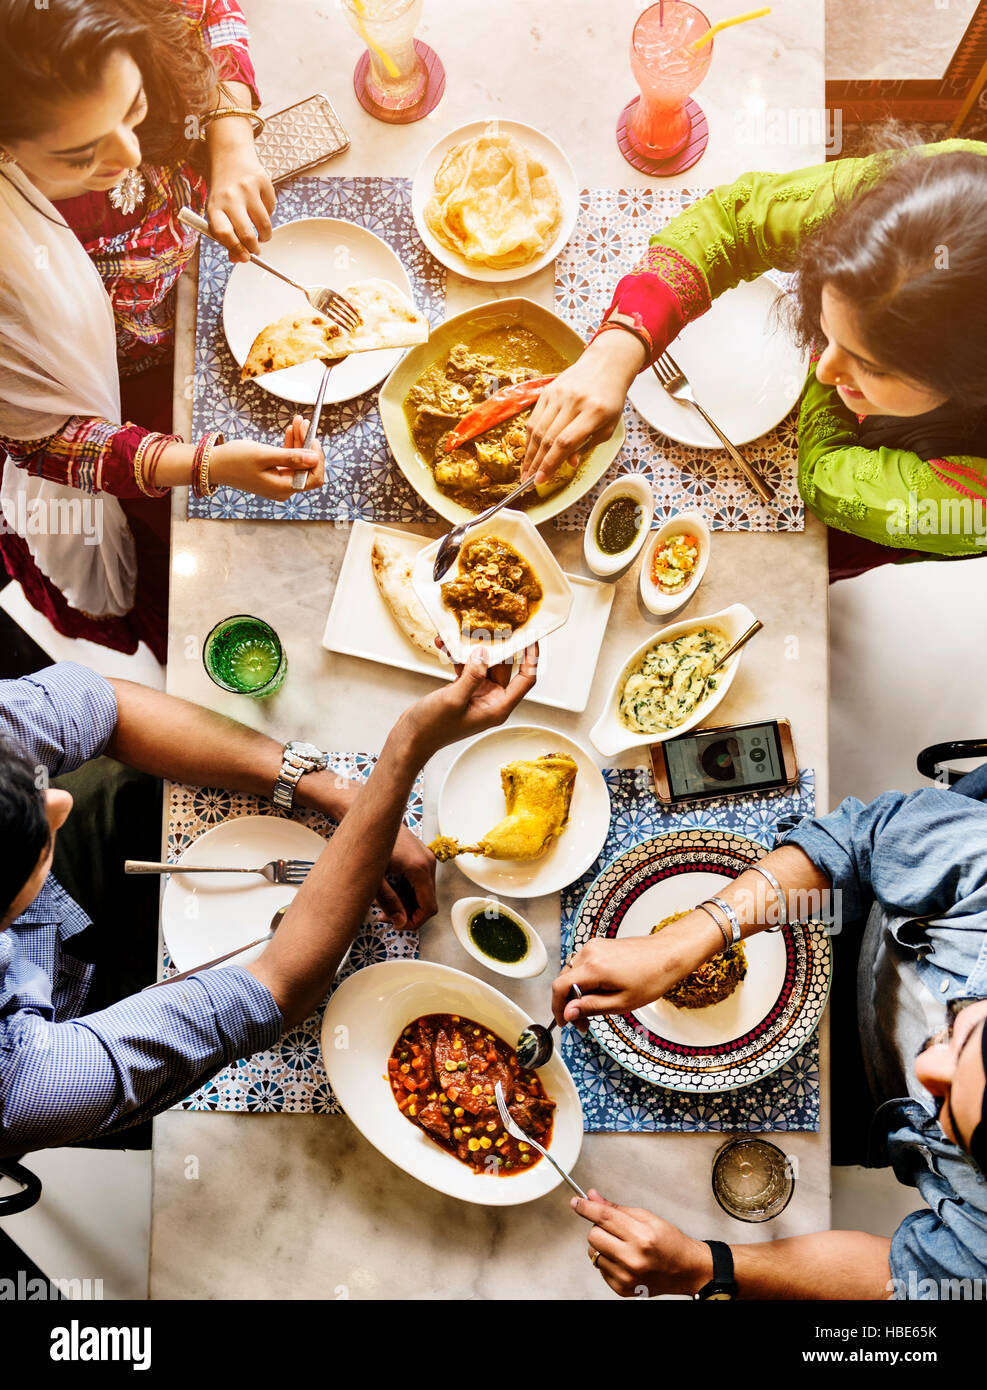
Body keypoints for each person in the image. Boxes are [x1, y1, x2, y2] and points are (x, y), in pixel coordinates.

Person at [0, 648, 536, 1154]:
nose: (61, 797)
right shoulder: (22, 1085)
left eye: (31, 783)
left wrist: (333, 790)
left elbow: (107, 707)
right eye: (39, 822)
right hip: (79, 1023)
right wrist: (404, 753)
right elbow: (276, 989)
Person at [551, 775, 987, 1299]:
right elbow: (859, 841)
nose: (925, 1070)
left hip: (863, 1108)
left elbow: (906, 1276)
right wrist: (678, 946)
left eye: (949, 1112)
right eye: (969, 1039)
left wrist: (703, 1266)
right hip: (846, 909)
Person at [0, 0, 324, 663]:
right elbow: (45, 441)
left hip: (188, 304)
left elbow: (213, 11)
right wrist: (203, 463)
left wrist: (231, 139)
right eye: (80, 154)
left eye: (134, 106)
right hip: (110, 390)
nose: (129, 154)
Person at [522, 137, 987, 581]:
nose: (825, 367)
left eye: (875, 366)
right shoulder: (944, 194)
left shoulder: (968, 504)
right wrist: (618, 344)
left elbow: (825, 479)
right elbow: (737, 219)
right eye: (829, 328)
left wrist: (826, 381)